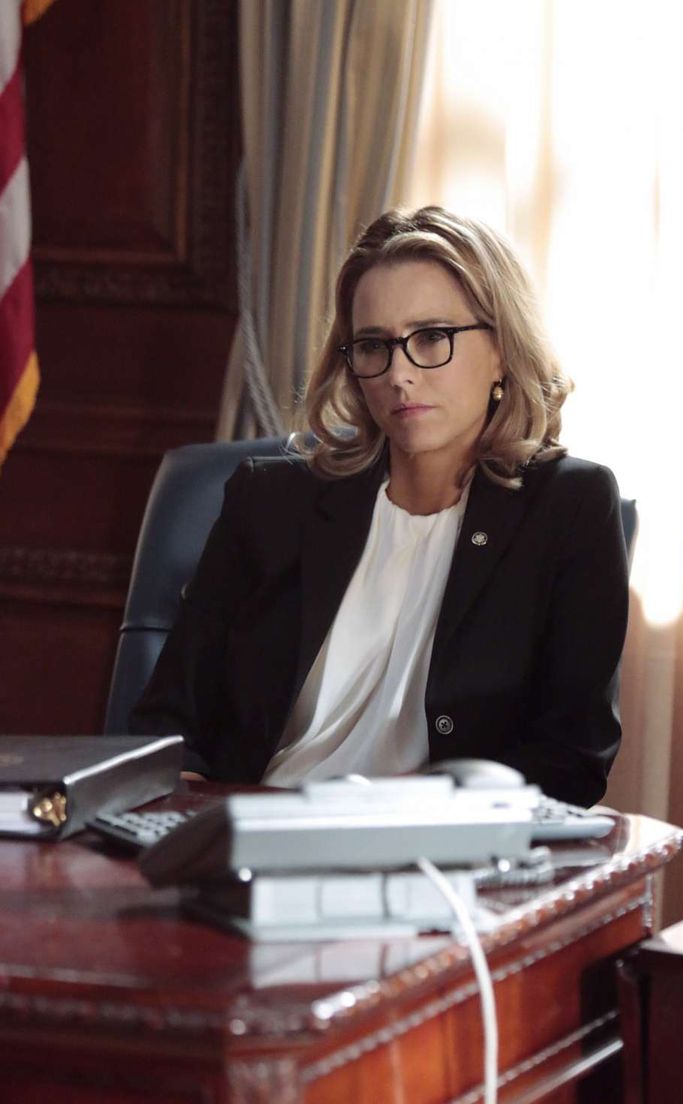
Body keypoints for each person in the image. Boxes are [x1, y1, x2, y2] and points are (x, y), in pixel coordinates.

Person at [131, 206, 629, 806]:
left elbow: (572, 761)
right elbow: (167, 725)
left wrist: (394, 813)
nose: (399, 374)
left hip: (440, 857)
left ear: (501, 350)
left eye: (431, 338)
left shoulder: (567, 509)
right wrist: (185, 825)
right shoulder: (270, 501)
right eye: (374, 346)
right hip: (253, 840)